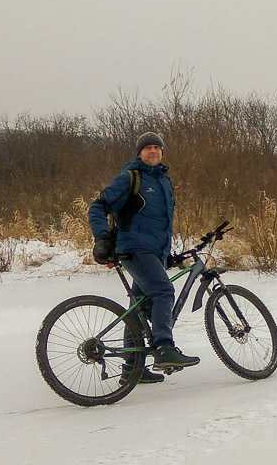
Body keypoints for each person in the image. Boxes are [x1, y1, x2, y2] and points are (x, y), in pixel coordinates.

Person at [87, 132, 200, 384]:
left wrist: (166, 254)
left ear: (162, 153)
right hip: (135, 249)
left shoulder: (164, 183)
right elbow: (97, 207)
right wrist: (102, 239)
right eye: (148, 148)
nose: (153, 151)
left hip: (152, 251)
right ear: (139, 153)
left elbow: (156, 223)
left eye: (157, 148)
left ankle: (132, 368)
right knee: (163, 292)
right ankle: (164, 348)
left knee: (137, 307)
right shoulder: (131, 178)